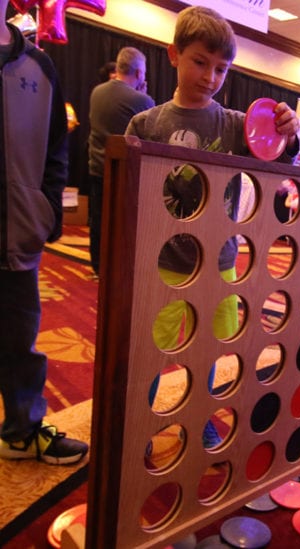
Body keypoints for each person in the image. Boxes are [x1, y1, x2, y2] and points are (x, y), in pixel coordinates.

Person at [126, 5, 299, 447]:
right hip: (164, 263)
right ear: (174, 54)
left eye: (221, 68)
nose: (210, 76)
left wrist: (288, 130)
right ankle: (143, 420)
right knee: (152, 352)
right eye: (200, 62)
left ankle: (198, 414)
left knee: (209, 349)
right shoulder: (146, 124)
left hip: (220, 263)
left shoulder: (236, 125)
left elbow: (279, 155)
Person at [0, 0, 89, 465]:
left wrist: (48, 210)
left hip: (18, 236)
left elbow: (58, 150)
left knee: (20, 343)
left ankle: (22, 432)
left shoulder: (39, 66)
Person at [87, 47, 155, 277]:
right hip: (124, 173)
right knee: (121, 224)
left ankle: (97, 266)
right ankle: (117, 268)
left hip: (96, 167)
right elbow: (150, 136)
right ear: (138, 73)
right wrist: (144, 95)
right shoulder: (142, 100)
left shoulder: (97, 91)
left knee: (98, 220)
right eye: (144, 74)